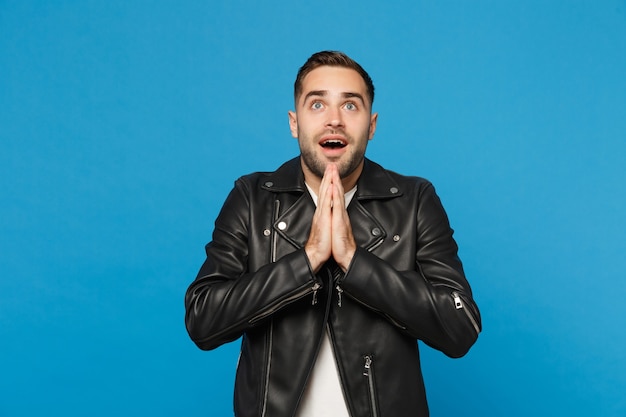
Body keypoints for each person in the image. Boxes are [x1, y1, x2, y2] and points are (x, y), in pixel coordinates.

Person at [185, 50, 481, 417]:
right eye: (317, 104)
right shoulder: (251, 197)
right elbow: (202, 319)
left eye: (351, 106)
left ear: (371, 126)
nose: (334, 121)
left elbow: (461, 326)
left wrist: (354, 261)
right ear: (295, 122)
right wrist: (307, 260)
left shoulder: (415, 200)